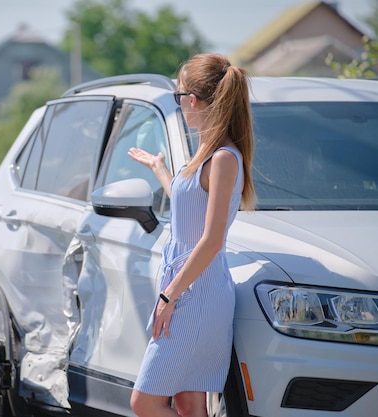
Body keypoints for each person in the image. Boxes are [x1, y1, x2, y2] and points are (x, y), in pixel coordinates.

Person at [129, 53, 256, 417]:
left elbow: (212, 239)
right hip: (187, 289)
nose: (180, 104)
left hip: (195, 295)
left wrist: (169, 296)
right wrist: (161, 170)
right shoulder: (206, 151)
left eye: (179, 96)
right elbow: (190, 208)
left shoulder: (223, 158)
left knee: (145, 403)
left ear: (193, 101)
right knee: (187, 404)